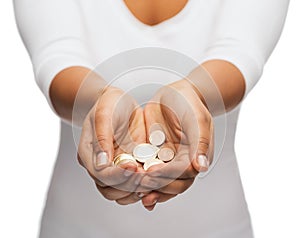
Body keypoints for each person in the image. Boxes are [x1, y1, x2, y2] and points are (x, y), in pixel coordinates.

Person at [13, 0, 289, 237]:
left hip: (217, 229)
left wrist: (193, 94)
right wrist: (100, 101)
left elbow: (239, 53)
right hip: (74, 229)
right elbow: (57, 57)